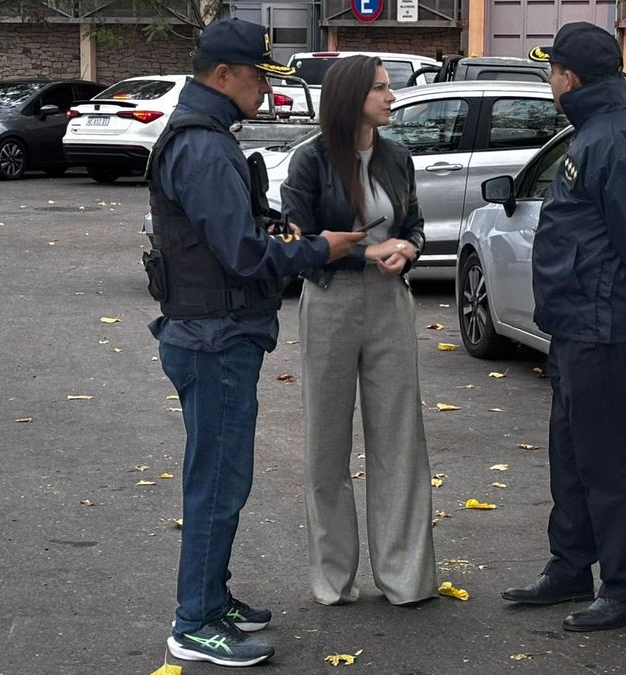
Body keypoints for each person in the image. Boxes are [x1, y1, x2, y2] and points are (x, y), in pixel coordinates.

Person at [146, 19, 366, 667]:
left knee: (220, 476)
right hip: (213, 336)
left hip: (215, 332)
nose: (265, 91)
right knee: (218, 481)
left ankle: (211, 598)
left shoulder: (206, 137)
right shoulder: (204, 146)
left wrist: (284, 231)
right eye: (256, 78)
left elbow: (235, 233)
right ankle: (195, 621)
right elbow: (242, 255)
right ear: (223, 75)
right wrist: (319, 248)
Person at [500, 22, 626, 632]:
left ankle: (625, 587)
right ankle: (570, 566)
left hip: (603, 325)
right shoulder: (597, 131)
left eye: (552, 71)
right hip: (579, 322)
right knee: (572, 453)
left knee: (605, 461)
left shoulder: (613, 138)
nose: (549, 81)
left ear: (571, 77)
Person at [280, 55, 438, 607]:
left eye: (389, 88)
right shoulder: (310, 160)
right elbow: (298, 244)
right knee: (326, 443)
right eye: (380, 88)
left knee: (400, 439)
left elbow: (414, 224)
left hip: (390, 301)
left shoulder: (397, 157)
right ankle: (333, 579)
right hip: (331, 300)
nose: (392, 97)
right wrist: (367, 252)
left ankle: (406, 578)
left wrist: (409, 248)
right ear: (351, 98)